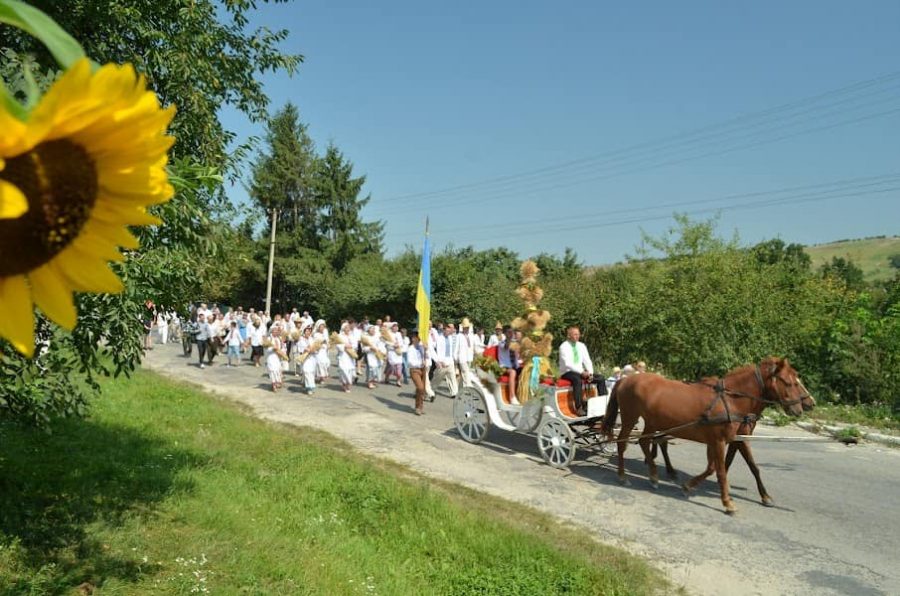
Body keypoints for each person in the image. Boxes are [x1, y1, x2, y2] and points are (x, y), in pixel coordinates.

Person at [557, 325, 595, 416]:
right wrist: (582, 372)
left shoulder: (582, 346)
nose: (577, 336)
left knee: (600, 378)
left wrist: (590, 373)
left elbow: (587, 360)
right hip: (567, 372)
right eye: (574, 334)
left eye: (578, 334)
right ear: (569, 335)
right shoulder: (564, 346)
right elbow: (568, 364)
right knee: (577, 380)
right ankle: (579, 407)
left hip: (581, 371)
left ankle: (603, 406)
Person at [432, 323, 459, 398]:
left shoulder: (450, 338)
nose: (449, 332)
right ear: (444, 330)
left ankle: (454, 393)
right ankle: (430, 391)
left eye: (450, 330)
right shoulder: (439, 338)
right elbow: (438, 350)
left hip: (450, 361)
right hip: (442, 362)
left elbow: (451, 350)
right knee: (437, 379)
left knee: (452, 377)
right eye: (447, 330)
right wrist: (440, 361)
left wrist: (453, 359)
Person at [407, 332, 428, 415]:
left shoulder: (421, 347)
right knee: (420, 387)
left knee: (422, 390)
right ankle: (418, 407)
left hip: (423, 369)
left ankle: (419, 407)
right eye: (417, 338)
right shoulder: (410, 349)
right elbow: (410, 362)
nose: (419, 339)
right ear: (413, 339)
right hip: (414, 370)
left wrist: (426, 350)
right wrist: (419, 364)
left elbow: (427, 357)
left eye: (419, 338)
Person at [497, 326, 519, 404]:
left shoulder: (515, 342)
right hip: (504, 367)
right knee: (513, 372)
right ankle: (512, 397)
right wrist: (511, 340)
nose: (511, 334)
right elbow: (506, 347)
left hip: (514, 366)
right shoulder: (501, 343)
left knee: (526, 370)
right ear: (505, 334)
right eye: (509, 332)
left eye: (512, 332)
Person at [296, 325, 318, 394]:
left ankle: (309, 386)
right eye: (306, 331)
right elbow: (300, 350)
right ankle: (309, 388)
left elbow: (316, 349)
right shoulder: (301, 340)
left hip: (312, 359)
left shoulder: (312, 339)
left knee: (311, 372)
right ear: (304, 331)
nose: (308, 332)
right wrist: (305, 350)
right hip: (305, 359)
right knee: (306, 371)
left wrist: (312, 350)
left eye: (309, 331)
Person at [335, 323, 357, 392]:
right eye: (346, 327)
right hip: (343, 355)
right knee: (343, 370)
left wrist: (352, 346)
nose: (348, 329)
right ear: (343, 328)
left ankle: (348, 384)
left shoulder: (352, 335)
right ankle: (344, 383)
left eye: (348, 327)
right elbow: (337, 345)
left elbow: (355, 345)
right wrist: (344, 346)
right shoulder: (339, 336)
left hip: (350, 356)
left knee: (350, 370)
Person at [455, 319, 476, 389]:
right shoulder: (459, 336)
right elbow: (456, 347)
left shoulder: (470, 336)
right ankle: (468, 386)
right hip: (462, 357)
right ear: (463, 328)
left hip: (469, 357)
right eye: (465, 327)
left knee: (466, 373)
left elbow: (472, 346)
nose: (467, 329)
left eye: (468, 327)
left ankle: (460, 388)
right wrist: (455, 357)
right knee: (465, 372)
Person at [265, 326, 286, 392]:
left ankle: (277, 382)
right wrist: (272, 349)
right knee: (272, 371)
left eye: (277, 331)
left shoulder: (279, 339)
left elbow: (283, 347)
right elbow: (266, 349)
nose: (275, 332)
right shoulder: (269, 339)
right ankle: (274, 385)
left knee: (277, 371)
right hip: (271, 357)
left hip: (278, 358)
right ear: (271, 331)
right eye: (274, 331)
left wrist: (282, 352)